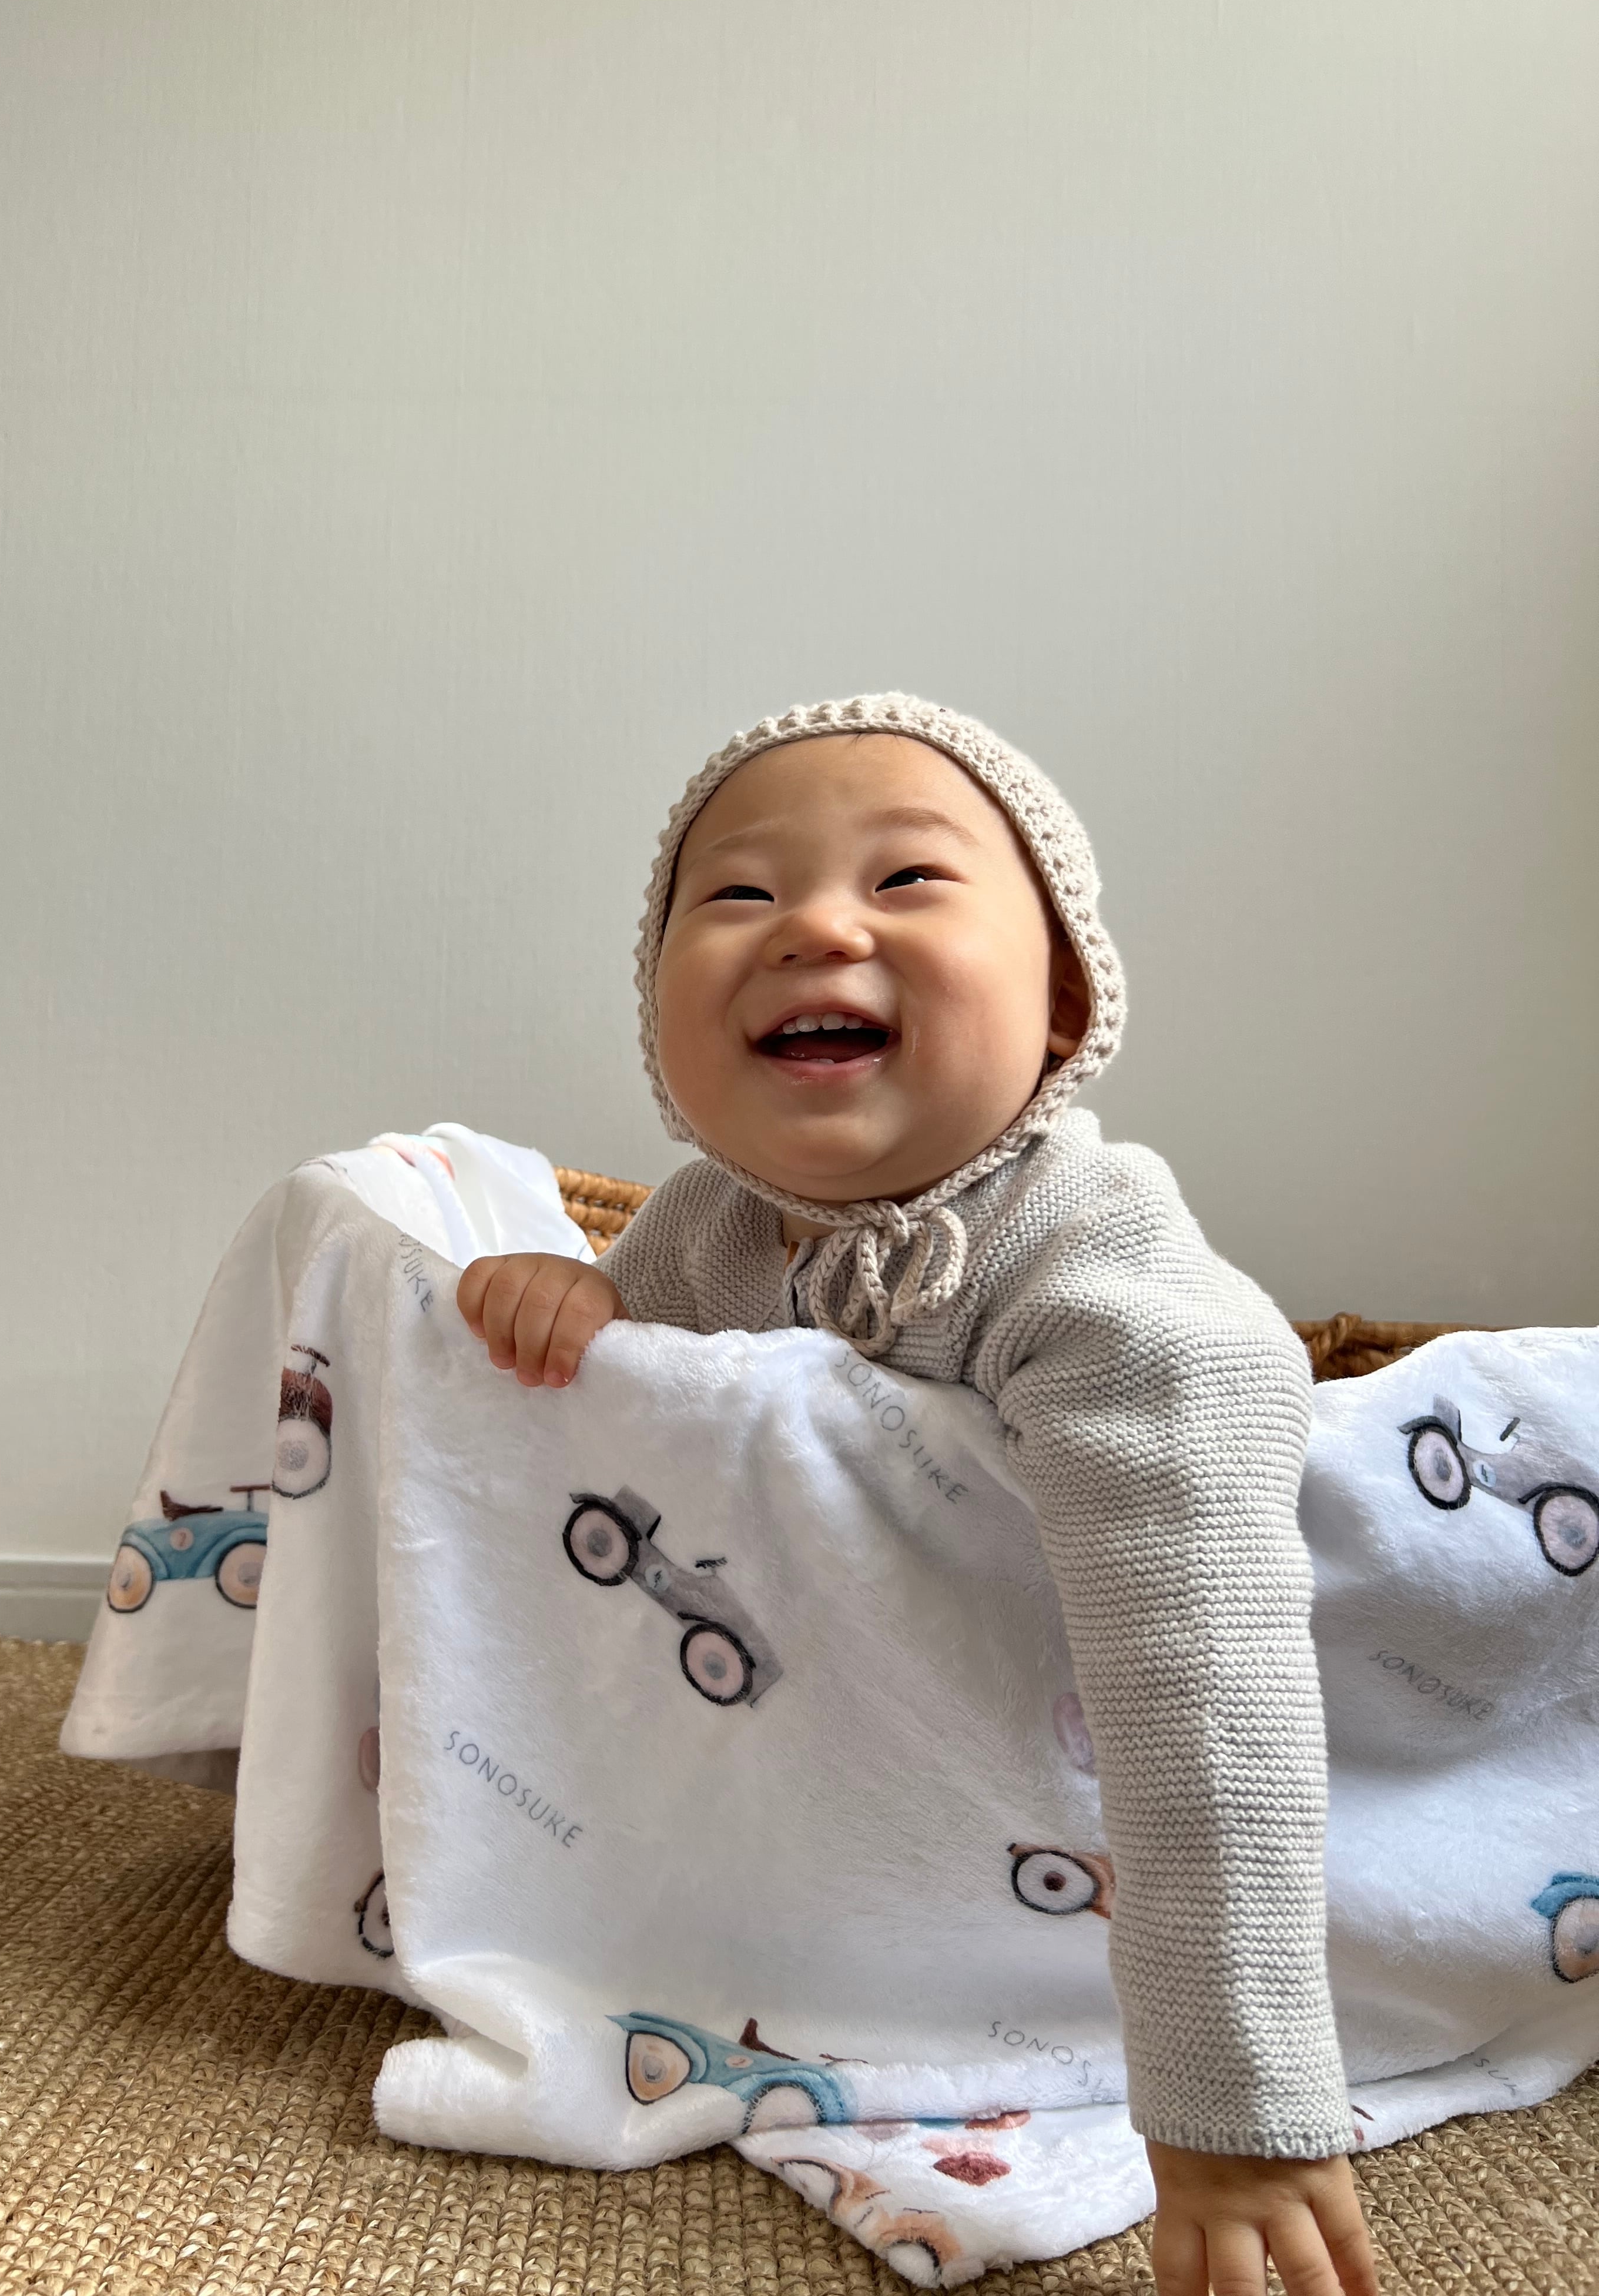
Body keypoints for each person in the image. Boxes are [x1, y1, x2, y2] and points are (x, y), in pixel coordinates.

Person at [458, 693, 1379, 2296]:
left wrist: (1235, 2109)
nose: (817, 924)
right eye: (739, 893)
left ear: (1063, 1001)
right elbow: (647, 1440)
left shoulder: (1111, 1285)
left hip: (1258, 1723)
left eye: (907, 881)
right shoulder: (701, 1228)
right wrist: (579, 1304)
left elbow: (1208, 1700)